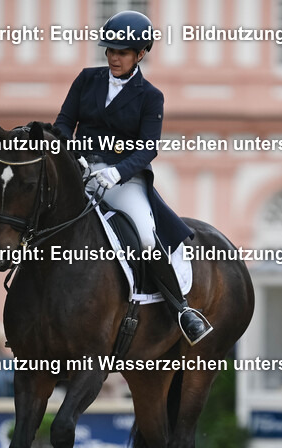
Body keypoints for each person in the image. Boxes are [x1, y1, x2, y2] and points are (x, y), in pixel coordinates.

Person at [53, 10, 212, 346]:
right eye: (110, 51)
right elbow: (64, 123)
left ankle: (180, 309)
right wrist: (72, 154)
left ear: (140, 54)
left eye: (122, 52)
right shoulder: (86, 79)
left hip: (123, 180)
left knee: (146, 237)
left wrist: (117, 172)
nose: (114, 57)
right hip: (80, 172)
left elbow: (147, 149)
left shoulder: (150, 96)